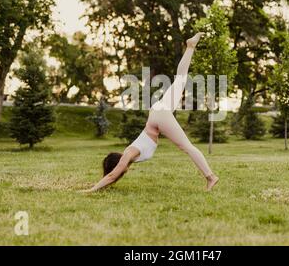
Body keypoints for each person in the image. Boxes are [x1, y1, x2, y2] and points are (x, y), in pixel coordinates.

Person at [81, 33, 219, 192]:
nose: (120, 172)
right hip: (158, 114)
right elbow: (112, 176)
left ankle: (210, 177)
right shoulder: (129, 155)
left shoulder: (128, 155)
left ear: (117, 165)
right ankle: (190, 46)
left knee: (187, 146)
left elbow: (112, 176)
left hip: (158, 117)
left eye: (117, 169)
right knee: (180, 79)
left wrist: (91, 190)